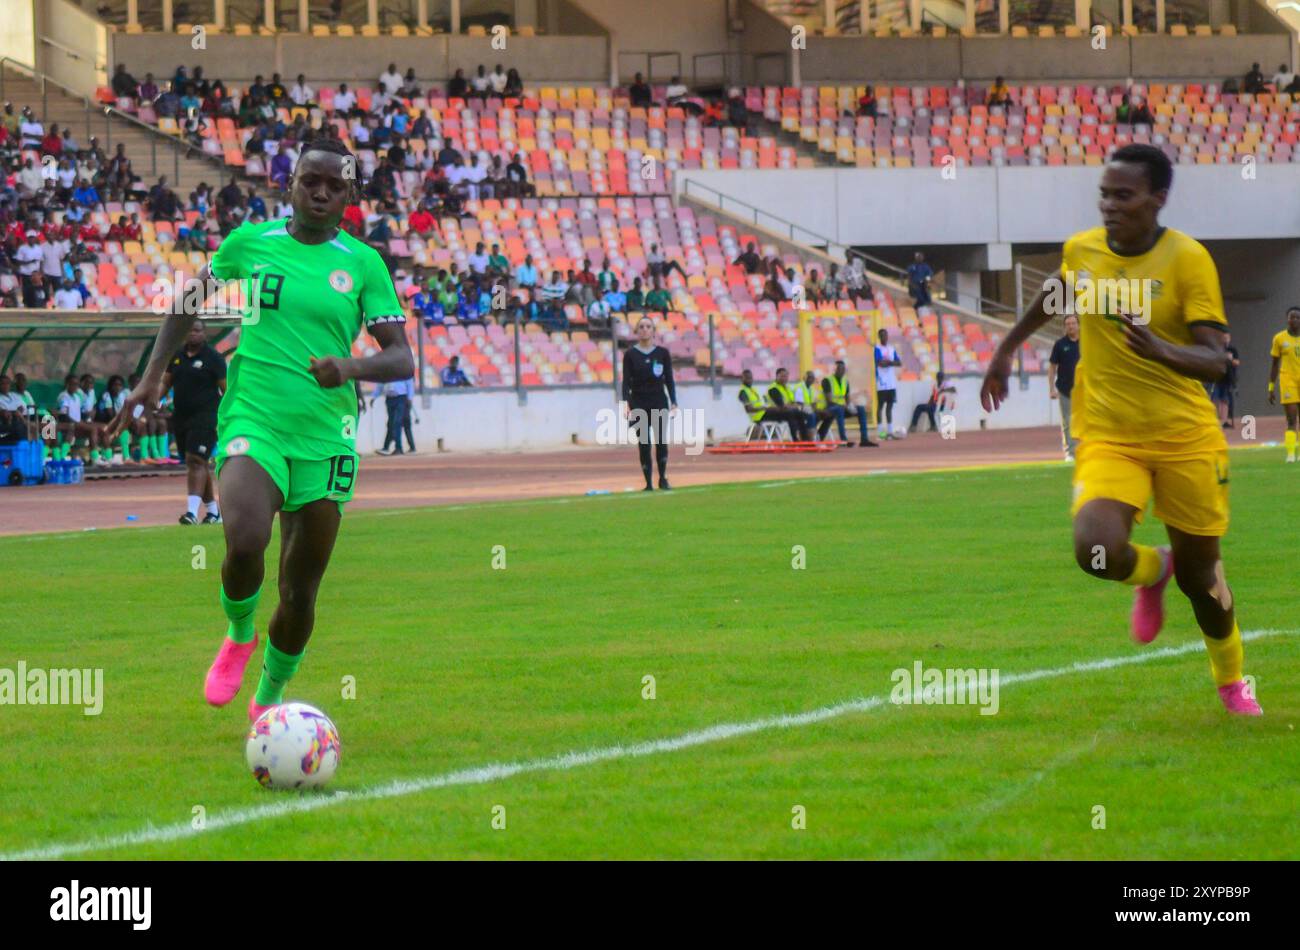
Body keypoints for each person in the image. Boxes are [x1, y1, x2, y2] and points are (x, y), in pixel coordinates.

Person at [108, 136, 413, 723]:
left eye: (334, 185)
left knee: (300, 591)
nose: (320, 193)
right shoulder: (251, 243)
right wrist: (151, 377)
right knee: (245, 537)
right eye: (310, 181)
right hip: (255, 417)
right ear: (291, 182)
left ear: (349, 195)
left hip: (326, 437)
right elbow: (185, 303)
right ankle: (239, 631)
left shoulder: (363, 263)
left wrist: (348, 367)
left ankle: (270, 699)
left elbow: (401, 359)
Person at [979, 143, 1260, 716]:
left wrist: (1159, 348)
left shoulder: (1187, 261)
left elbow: (1217, 361)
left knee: (1203, 581)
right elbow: (1054, 294)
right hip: (1108, 432)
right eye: (1104, 194)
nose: (1110, 205)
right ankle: (1153, 568)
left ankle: (1232, 682)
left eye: (1124, 195)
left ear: (1158, 198)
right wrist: (1005, 350)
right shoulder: (1082, 250)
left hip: (1185, 437)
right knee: (1096, 550)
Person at [164, 323, 227, 523]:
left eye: (197, 330)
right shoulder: (177, 357)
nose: (193, 334)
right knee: (196, 463)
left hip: (206, 416)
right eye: (189, 330)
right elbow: (166, 382)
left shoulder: (214, 359)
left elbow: (226, 390)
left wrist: (227, 417)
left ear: (204, 333)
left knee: (195, 459)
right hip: (181, 417)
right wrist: (153, 402)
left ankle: (191, 512)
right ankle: (213, 513)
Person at [622, 315, 677, 490]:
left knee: (661, 441)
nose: (645, 329)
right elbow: (626, 381)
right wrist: (626, 403)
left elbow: (669, 378)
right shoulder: (630, 354)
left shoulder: (662, 353)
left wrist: (674, 401)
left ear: (653, 331)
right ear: (637, 331)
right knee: (644, 443)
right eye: (641, 326)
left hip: (659, 400)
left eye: (648, 326)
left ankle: (662, 477)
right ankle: (648, 482)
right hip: (638, 401)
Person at [1267, 306, 1300, 462]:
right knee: (1292, 419)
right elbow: (1274, 364)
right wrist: (1271, 387)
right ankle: (1291, 454)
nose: (1293, 320)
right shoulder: (1279, 338)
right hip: (1288, 381)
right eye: (1291, 317)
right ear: (1287, 319)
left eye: (1297, 318)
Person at [821, 360, 876, 446]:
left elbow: (847, 399)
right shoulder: (827, 380)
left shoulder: (845, 381)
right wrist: (843, 406)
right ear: (834, 369)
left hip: (842, 408)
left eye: (843, 369)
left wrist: (850, 406)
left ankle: (864, 440)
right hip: (829, 408)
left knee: (860, 409)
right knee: (839, 409)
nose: (841, 371)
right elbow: (829, 401)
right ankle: (844, 440)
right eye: (839, 369)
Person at [1049, 314, 1081, 459]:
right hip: (1064, 389)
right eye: (1068, 324)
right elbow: (1052, 367)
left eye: (1073, 323)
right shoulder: (1060, 344)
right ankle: (1070, 453)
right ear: (1064, 327)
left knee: (1088, 422)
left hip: (1084, 389)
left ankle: (1087, 451)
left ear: (1078, 325)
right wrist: (1051, 388)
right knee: (1067, 422)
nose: (1071, 326)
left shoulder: (1086, 343)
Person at [766, 367, 814, 441]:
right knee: (792, 413)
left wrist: (796, 406)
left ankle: (806, 439)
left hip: (788, 410)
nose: (784, 378)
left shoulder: (787, 388)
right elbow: (782, 405)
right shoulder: (773, 389)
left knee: (805, 414)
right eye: (782, 376)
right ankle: (795, 439)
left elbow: (794, 402)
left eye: (786, 376)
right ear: (776, 376)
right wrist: (795, 406)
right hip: (775, 412)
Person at [873, 328, 902, 439]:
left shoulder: (891, 348)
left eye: (885, 335)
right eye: (882, 335)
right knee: (880, 406)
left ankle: (889, 432)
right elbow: (880, 363)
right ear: (879, 337)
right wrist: (891, 362)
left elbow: (899, 362)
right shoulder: (877, 348)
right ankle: (880, 433)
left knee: (890, 407)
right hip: (881, 382)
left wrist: (888, 362)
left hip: (891, 382)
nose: (884, 337)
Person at [375, 375, 413, 455]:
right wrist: (373, 396)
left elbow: (409, 384)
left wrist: (410, 398)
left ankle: (398, 448)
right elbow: (380, 385)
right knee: (391, 423)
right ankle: (387, 447)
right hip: (389, 398)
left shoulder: (402, 370)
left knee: (397, 422)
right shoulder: (386, 371)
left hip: (401, 397)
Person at [1211, 332, 1240, 430]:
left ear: (1230, 338)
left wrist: (1230, 359)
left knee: (1225, 400)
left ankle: (1224, 421)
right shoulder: (1218, 349)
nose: (1225, 339)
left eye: (1227, 337)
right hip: (1217, 377)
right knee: (1215, 399)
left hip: (1228, 378)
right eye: (1223, 337)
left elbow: (1237, 362)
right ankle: (1215, 421)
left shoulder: (1232, 350)